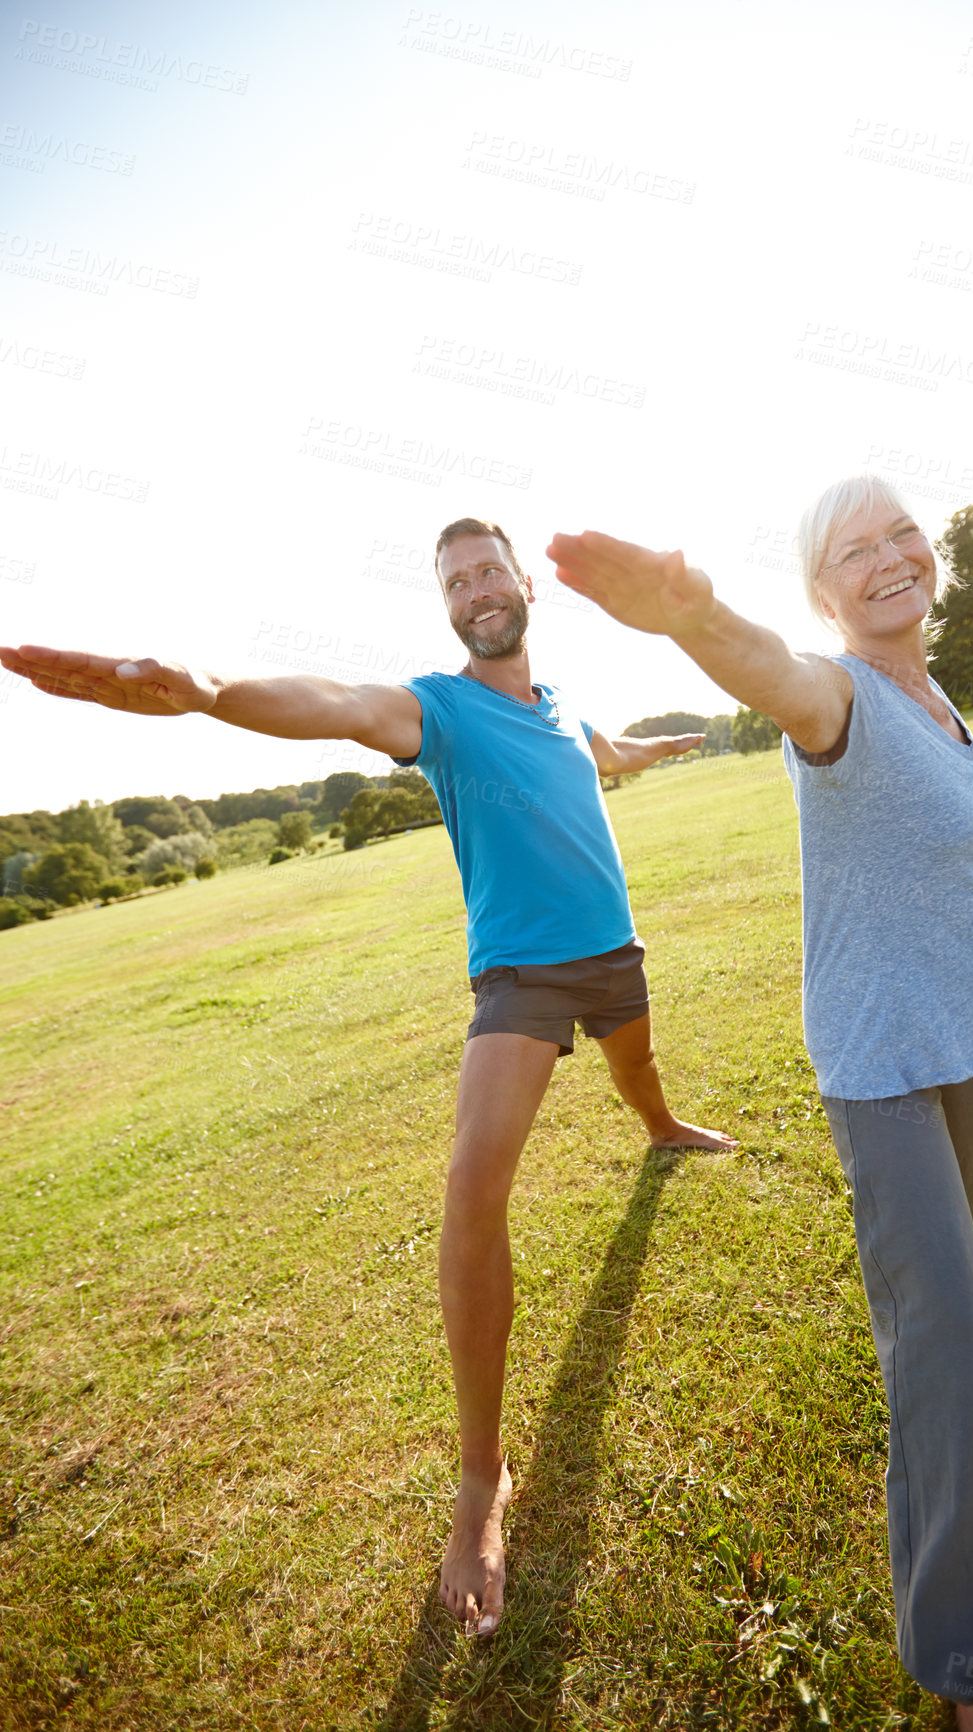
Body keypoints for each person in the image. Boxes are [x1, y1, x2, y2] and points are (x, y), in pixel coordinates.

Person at [0, 517, 734, 1639]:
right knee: (469, 1187)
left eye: (489, 569)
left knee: (642, 1075)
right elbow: (335, 703)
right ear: (446, 606)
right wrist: (200, 689)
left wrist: (642, 750)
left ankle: (662, 1126)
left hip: (614, 955)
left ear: (522, 581)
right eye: (457, 581)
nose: (478, 589)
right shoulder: (434, 707)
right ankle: (479, 1478)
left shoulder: (556, 705)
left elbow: (597, 748)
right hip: (524, 977)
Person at [547, 480, 973, 1732]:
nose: (890, 557)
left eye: (901, 533)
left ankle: (961, 1225)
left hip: (961, 1043)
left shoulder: (938, 701)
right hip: (884, 1065)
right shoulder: (835, 698)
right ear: (824, 592)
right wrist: (690, 616)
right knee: (945, 1370)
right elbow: (769, 672)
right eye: (856, 550)